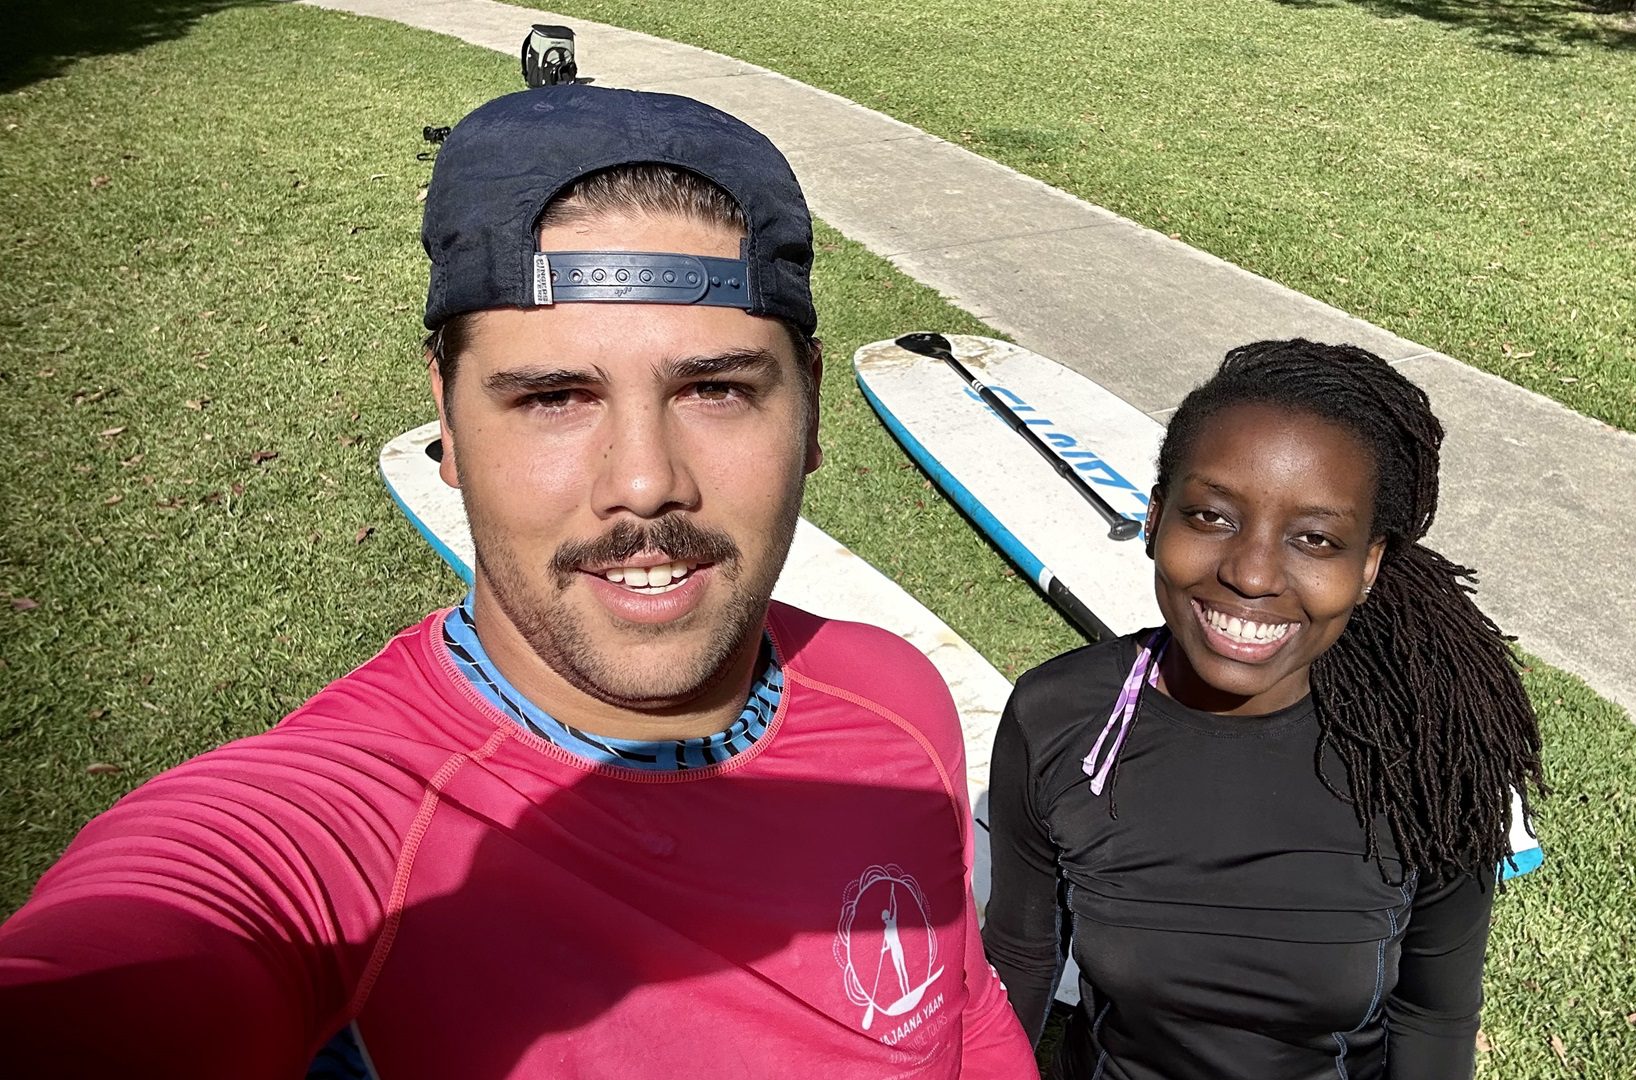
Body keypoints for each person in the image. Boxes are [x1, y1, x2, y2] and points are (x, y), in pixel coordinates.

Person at [0, 85, 1035, 1079]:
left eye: (714, 389)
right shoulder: (336, 846)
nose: (645, 484)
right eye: (552, 397)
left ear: (808, 407)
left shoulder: (896, 701)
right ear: (448, 421)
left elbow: (959, 1018)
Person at [982, 339, 1546, 1079]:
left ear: (1368, 563)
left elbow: (1433, 1013)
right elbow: (1021, 957)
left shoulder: (1428, 756)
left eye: (1315, 538)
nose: (1251, 573)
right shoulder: (1059, 719)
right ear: (1155, 519)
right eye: (1212, 517)